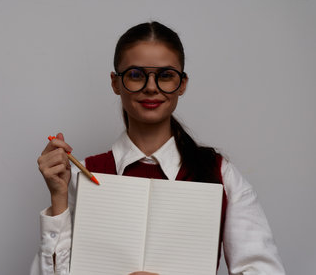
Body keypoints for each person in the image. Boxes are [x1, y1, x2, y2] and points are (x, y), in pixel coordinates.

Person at [30, 21, 286, 275]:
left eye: (165, 76)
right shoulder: (82, 175)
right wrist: (58, 199)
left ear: (182, 84)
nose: (151, 87)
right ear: (115, 83)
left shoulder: (222, 175)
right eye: (135, 74)